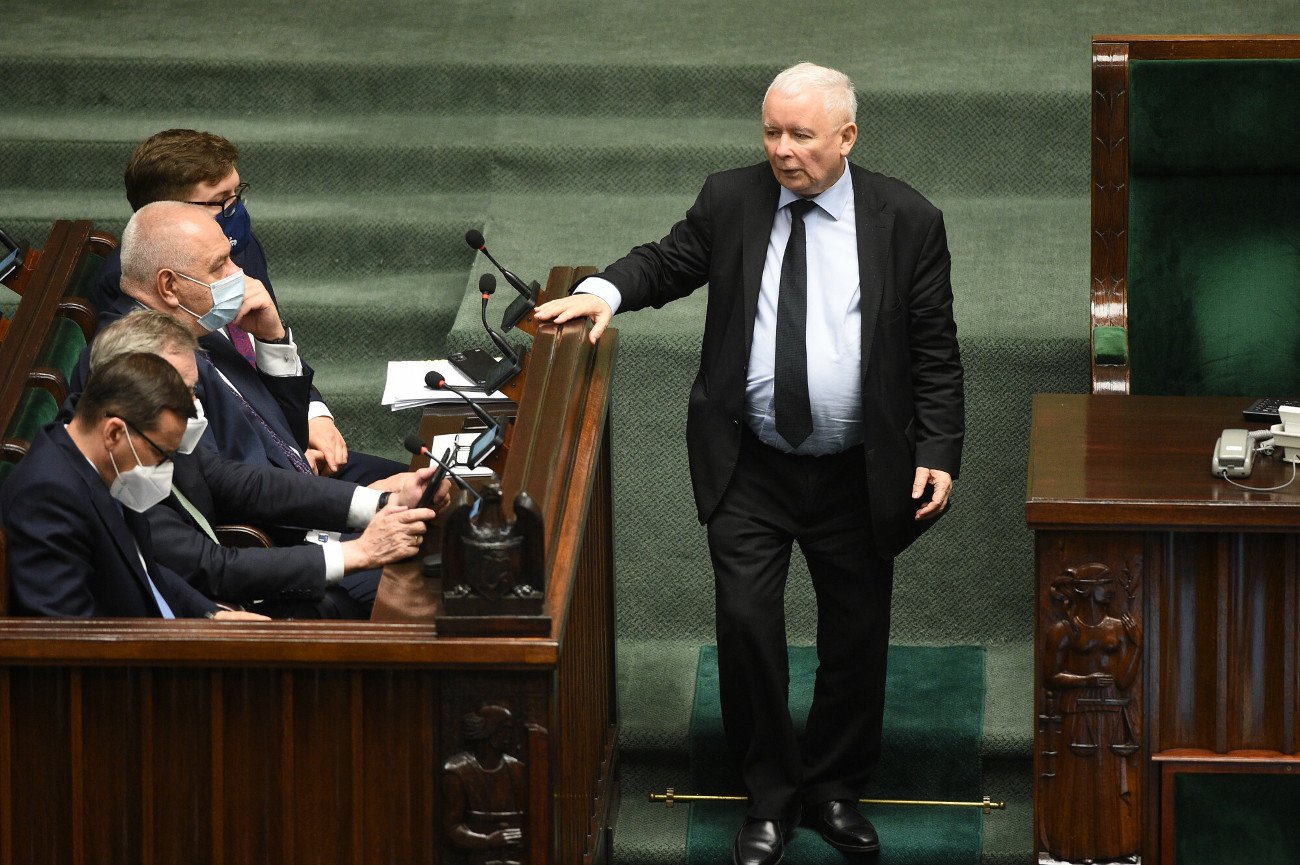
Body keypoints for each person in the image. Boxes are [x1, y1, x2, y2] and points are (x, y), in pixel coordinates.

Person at [535, 62, 964, 864]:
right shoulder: (731, 199)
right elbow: (666, 262)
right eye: (771, 131)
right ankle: (768, 796)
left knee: (857, 636)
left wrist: (939, 447)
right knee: (746, 625)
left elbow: (934, 347)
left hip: (857, 470)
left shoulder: (906, 217)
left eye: (801, 134)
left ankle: (835, 788)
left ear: (847, 137)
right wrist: (604, 291)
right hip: (751, 465)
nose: (782, 149)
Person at [85, 310, 449, 618]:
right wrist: (359, 552)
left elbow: (249, 485)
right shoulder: (99, 471)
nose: (195, 407)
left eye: (196, 391)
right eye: (185, 393)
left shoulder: (153, 428)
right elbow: (209, 567)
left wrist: (384, 504)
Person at [91, 128, 401, 483]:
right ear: (168, 215)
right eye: (220, 200)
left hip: (285, 451)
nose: (234, 210)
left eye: (236, 194)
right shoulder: (132, 291)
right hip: (255, 481)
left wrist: (310, 411)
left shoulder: (238, 247)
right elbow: (210, 428)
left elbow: (251, 361)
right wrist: (287, 469)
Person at [1, 352, 262, 620]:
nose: (165, 468)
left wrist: (213, 615)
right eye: (161, 454)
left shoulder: (101, 465)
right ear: (114, 432)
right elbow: (66, 638)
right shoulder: (47, 497)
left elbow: (144, 569)